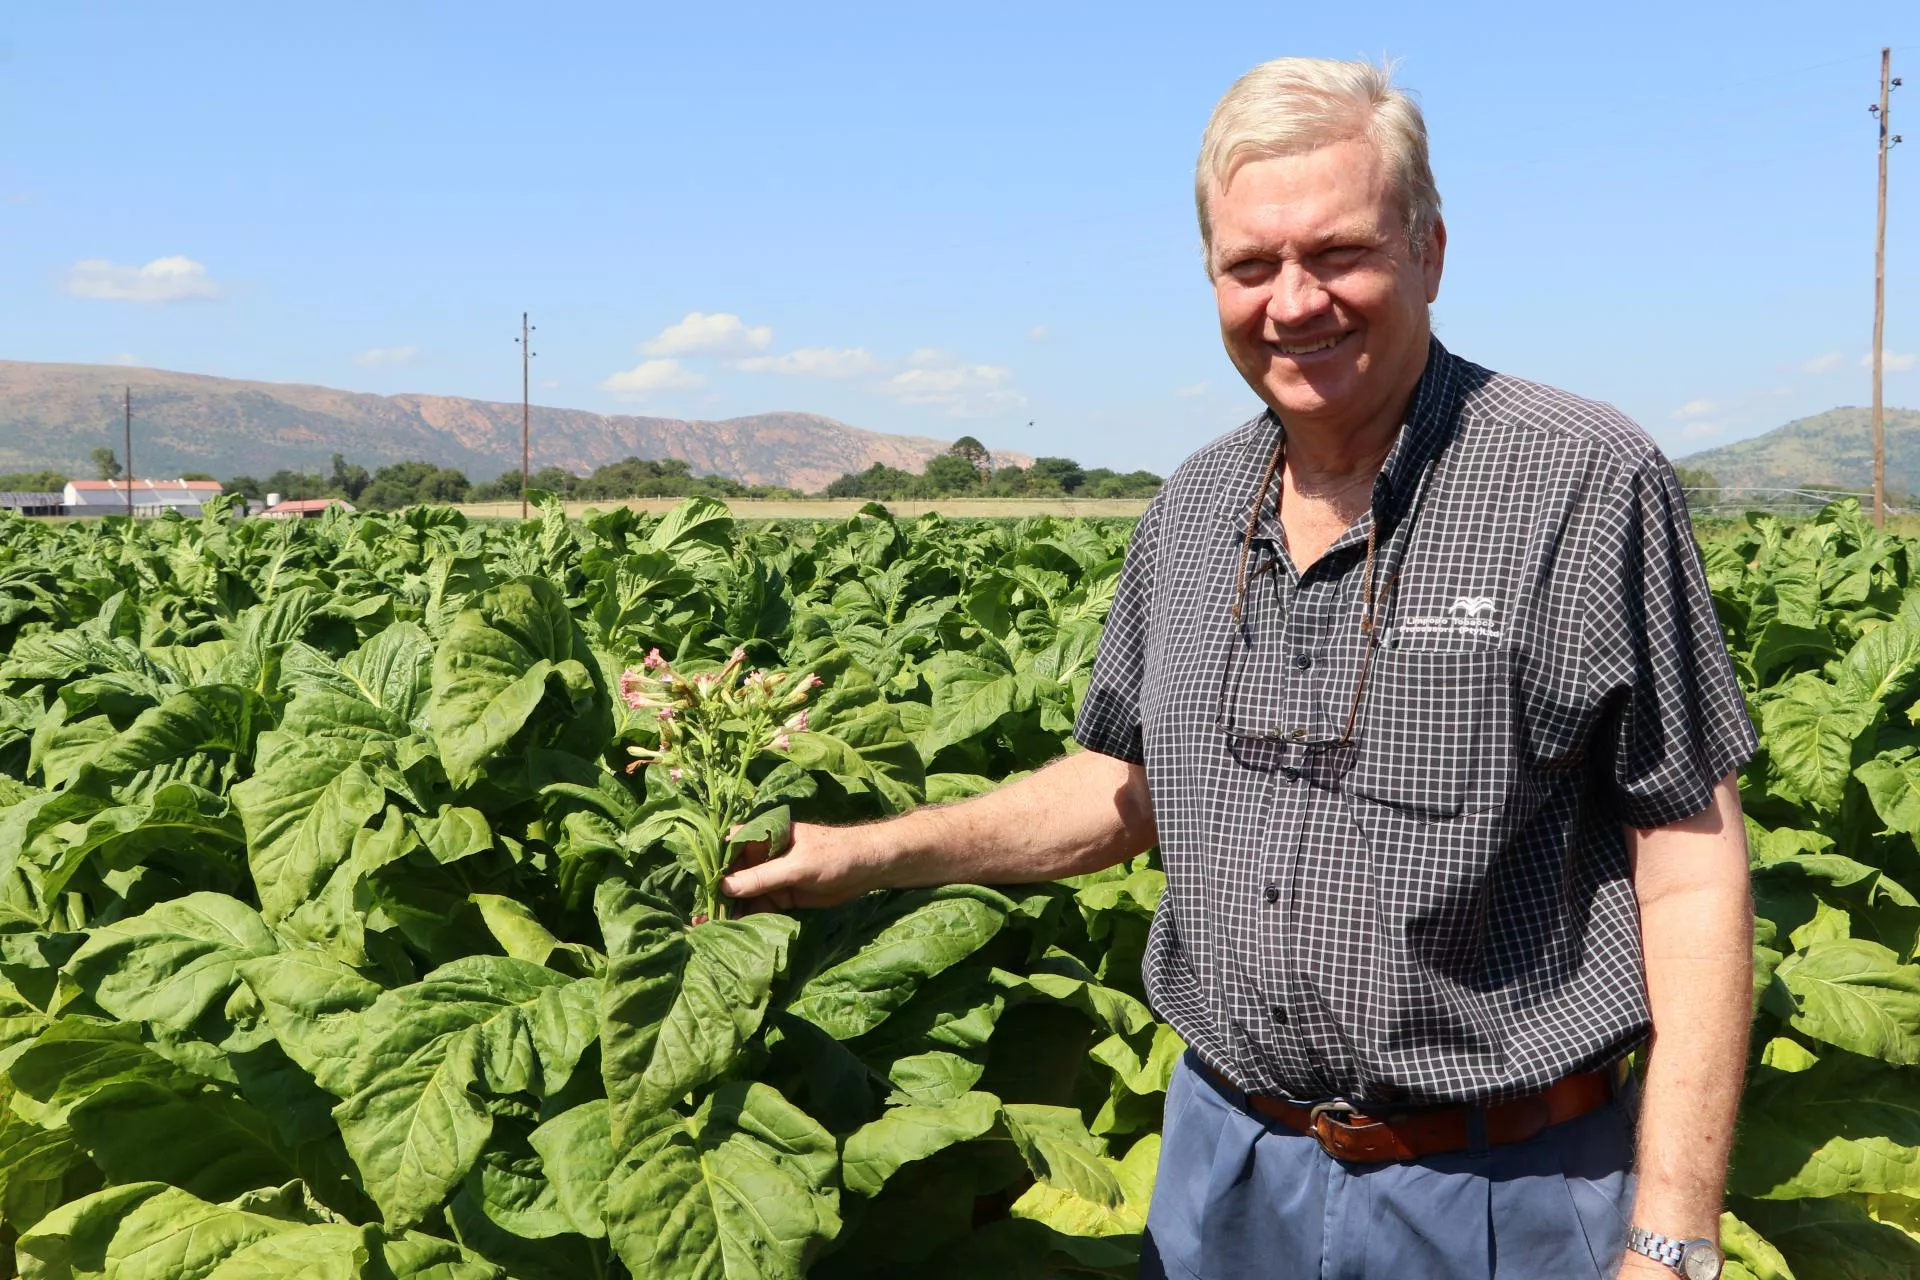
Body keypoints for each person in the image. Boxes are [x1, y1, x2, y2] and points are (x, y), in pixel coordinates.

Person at [723, 56, 1754, 1280]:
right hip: (1223, 1172)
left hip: (1497, 1190)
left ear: (1429, 250)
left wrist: (1674, 1234)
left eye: (1341, 253)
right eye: (1251, 265)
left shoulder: (1582, 480)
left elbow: (1689, 871)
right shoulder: (1194, 504)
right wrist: (863, 854)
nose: (1294, 300)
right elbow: (1127, 787)